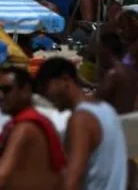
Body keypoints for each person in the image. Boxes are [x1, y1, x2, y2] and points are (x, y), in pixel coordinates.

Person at [36, 57, 128, 190]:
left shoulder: (80, 120)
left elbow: (72, 181)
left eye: (45, 87)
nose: (44, 96)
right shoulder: (107, 110)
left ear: (65, 80)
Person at [0, 67, 66, 190]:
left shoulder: (25, 128)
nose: (0, 96)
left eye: (7, 90)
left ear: (26, 90)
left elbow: (1, 176)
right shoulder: (26, 123)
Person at [95, 31, 138, 114]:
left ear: (107, 49)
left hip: (117, 119)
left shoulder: (113, 74)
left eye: (99, 48)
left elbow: (96, 99)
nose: (98, 52)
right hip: (128, 118)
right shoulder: (131, 71)